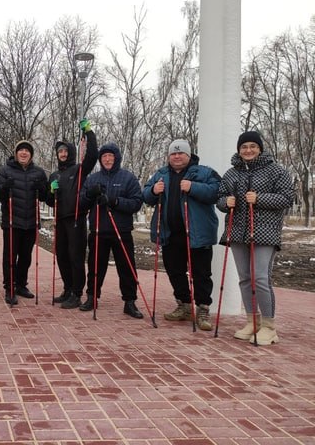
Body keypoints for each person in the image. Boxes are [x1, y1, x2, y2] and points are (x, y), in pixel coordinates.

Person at [217, 130, 293, 345]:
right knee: (244, 278)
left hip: (265, 232)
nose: (248, 150)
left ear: (260, 148)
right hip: (237, 230)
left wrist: (260, 198)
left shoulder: (276, 171)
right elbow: (220, 198)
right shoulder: (231, 173)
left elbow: (287, 198)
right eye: (244, 147)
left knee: (260, 278)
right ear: (239, 150)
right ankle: (253, 321)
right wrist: (225, 202)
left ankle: (269, 326)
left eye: (252, 146)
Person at [143, 139, 220, 331]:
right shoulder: (160, 174)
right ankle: (184, 304)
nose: (177, 156)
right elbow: (145, 195)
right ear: (169, 156)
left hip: (197, 233)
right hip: (170, 233)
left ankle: (203, 308)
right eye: (173, 154)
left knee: (201, 273)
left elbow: (217, 192)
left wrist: (193, 187)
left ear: (188, 155)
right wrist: (153, 190)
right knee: (174, 271)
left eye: (181, 153)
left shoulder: (204, 172)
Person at [78, 143, 144, 317]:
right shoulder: (93, 179)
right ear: (100, 159)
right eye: (104, 157)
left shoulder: (128, 178)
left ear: (116, 158)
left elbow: (136, 203)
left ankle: (129, 302)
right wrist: (90, 194)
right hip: (99, 230)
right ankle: (91, 297)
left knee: (127, 268)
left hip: (121, 230)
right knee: (95, 266)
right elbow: (81, 203)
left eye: (110, 156)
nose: (107, 159)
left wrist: (115, 201)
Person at [45, 119, 98, 309]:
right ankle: (67, 288)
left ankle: (77, 292)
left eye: (66, 151)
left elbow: (92, 155)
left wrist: (88, 132)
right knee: (61, 255)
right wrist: (51, 191)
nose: (63, 154)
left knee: (75, 256)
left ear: (71, 153)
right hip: (59, 219)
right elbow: (49, 202)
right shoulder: (54, 175)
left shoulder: (79, 170)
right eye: (60, 152)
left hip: (76, 218)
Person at [0, 139, 48, 304]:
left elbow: (46, 197)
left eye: (27, 151)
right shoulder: (5, 171)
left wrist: (42, 188)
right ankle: (9, 287)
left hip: (31, 221)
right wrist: (5, 187)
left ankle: (21, 285)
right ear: (16, 153)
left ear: (31, 155)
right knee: (10, 256)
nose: (24, 153)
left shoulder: (39, 173)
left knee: (26, 256)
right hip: (12, 221)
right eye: (21, 150)